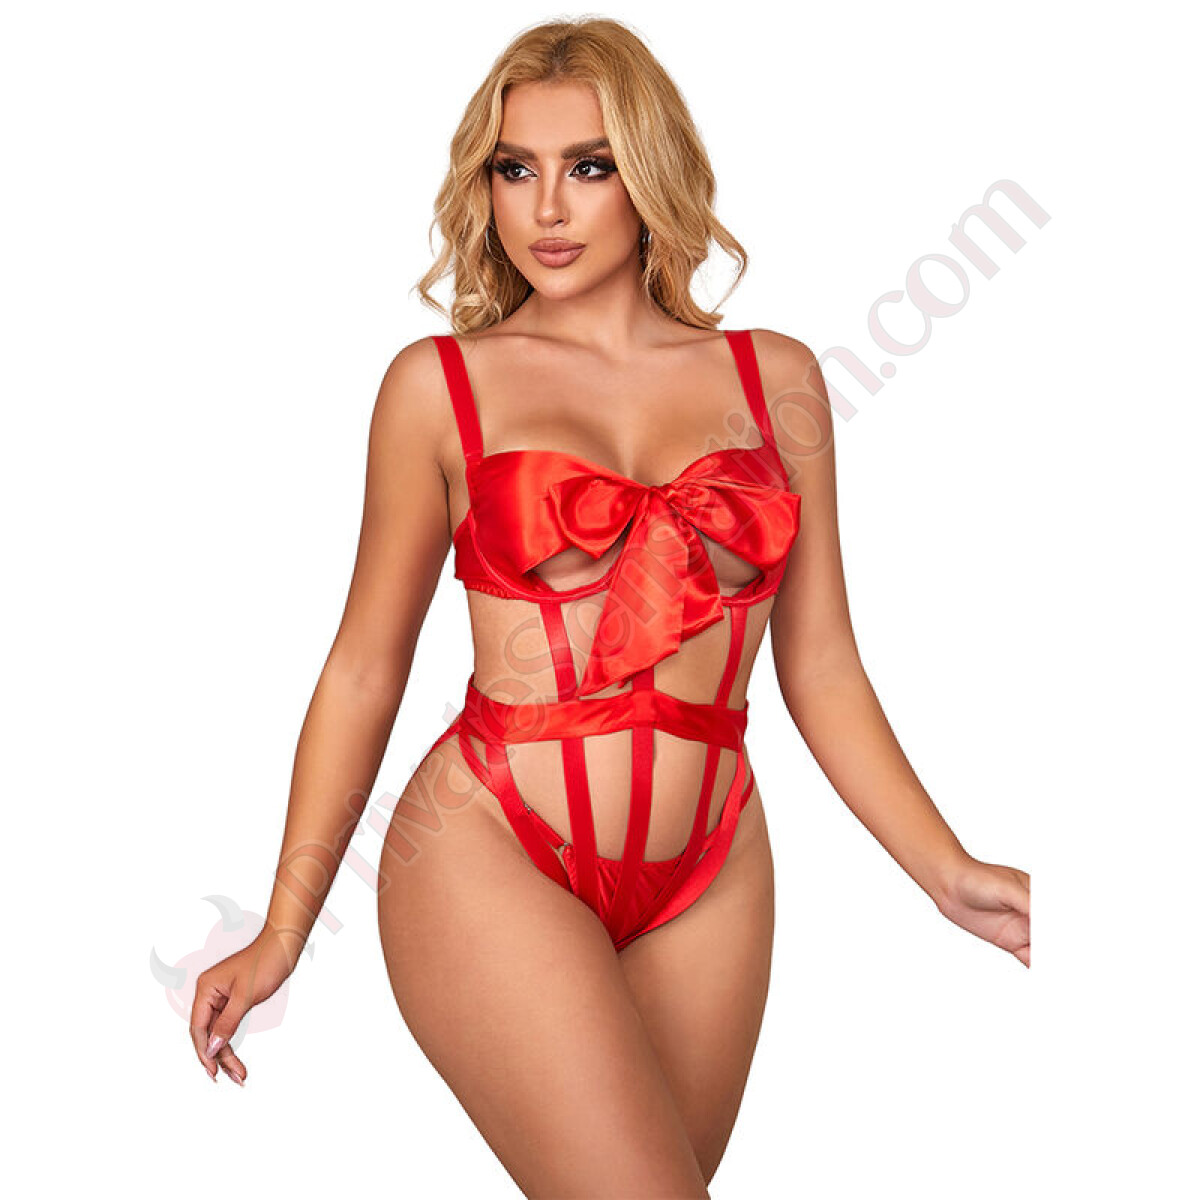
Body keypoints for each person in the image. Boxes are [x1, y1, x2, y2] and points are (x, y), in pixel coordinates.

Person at [188, 16, 1030, 1197]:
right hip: (491, 846)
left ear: (650, 173)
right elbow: (365, 668)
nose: (546, 207)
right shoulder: (438, 387)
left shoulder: (778, 380)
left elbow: (823, 666)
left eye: (588, 166)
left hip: (712, 866)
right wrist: (285, 927)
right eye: (514, 168)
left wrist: (947, 871)